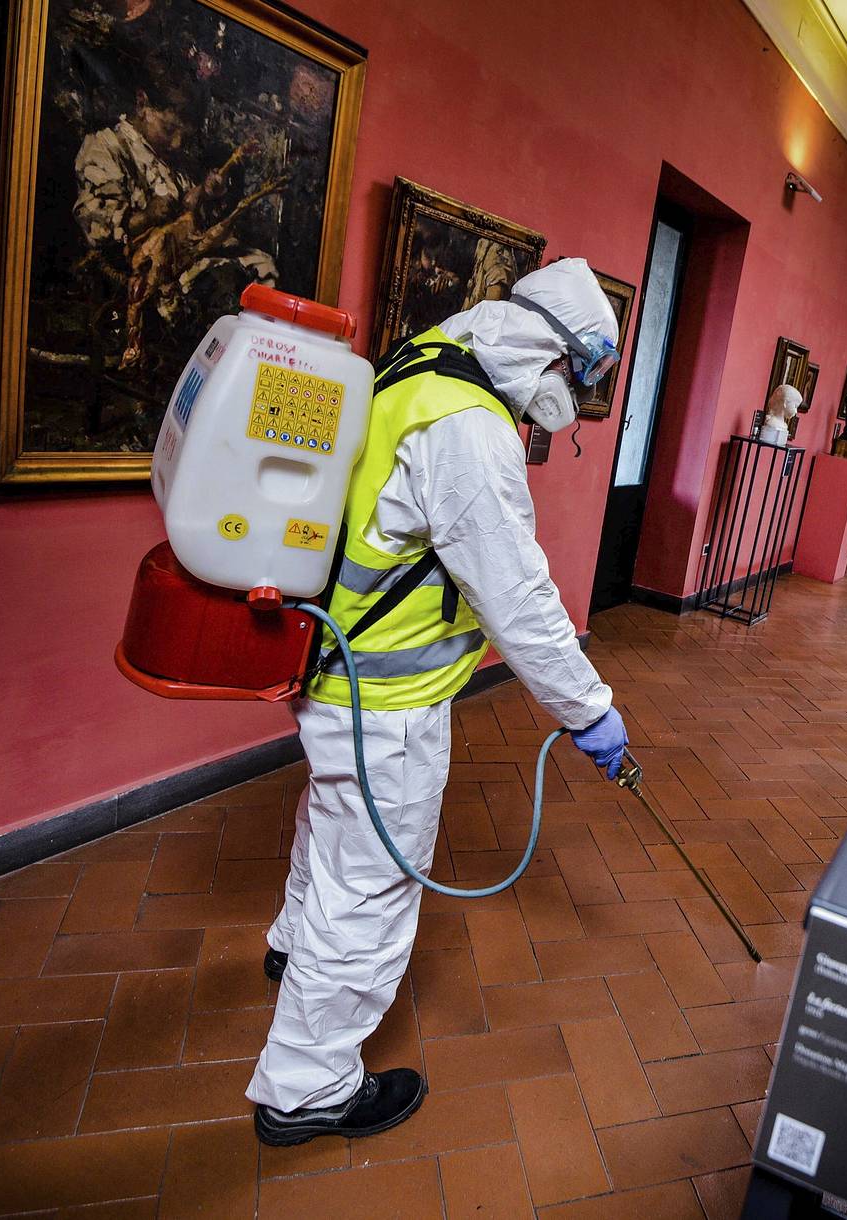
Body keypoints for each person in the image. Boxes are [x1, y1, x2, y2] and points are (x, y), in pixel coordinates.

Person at [246, 257, 631, 1145]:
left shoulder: (426, 360)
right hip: (388, 696)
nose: (575, 398)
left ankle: (291, 945)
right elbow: (517, 597)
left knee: (332, 823)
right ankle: (307, 1087)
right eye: (580, 375)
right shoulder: (470, 430)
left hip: (338, 666)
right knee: (372, 884)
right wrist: (588, 709)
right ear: (551, 352)